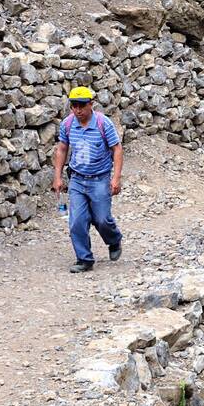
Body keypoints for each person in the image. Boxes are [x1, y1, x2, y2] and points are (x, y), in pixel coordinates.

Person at [51, 86, 123, 274]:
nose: (78, 110)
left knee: (102, 219)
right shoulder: (67, 124)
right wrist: (57, 177)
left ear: (91, 104)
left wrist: (116, 178)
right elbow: (62, 149)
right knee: (76, 221)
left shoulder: (103, 123)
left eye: (82, 105)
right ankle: (84, 259)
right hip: (77, 179)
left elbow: (117, 149)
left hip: (100, 179)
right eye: (74, 106)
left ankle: (114, 240)